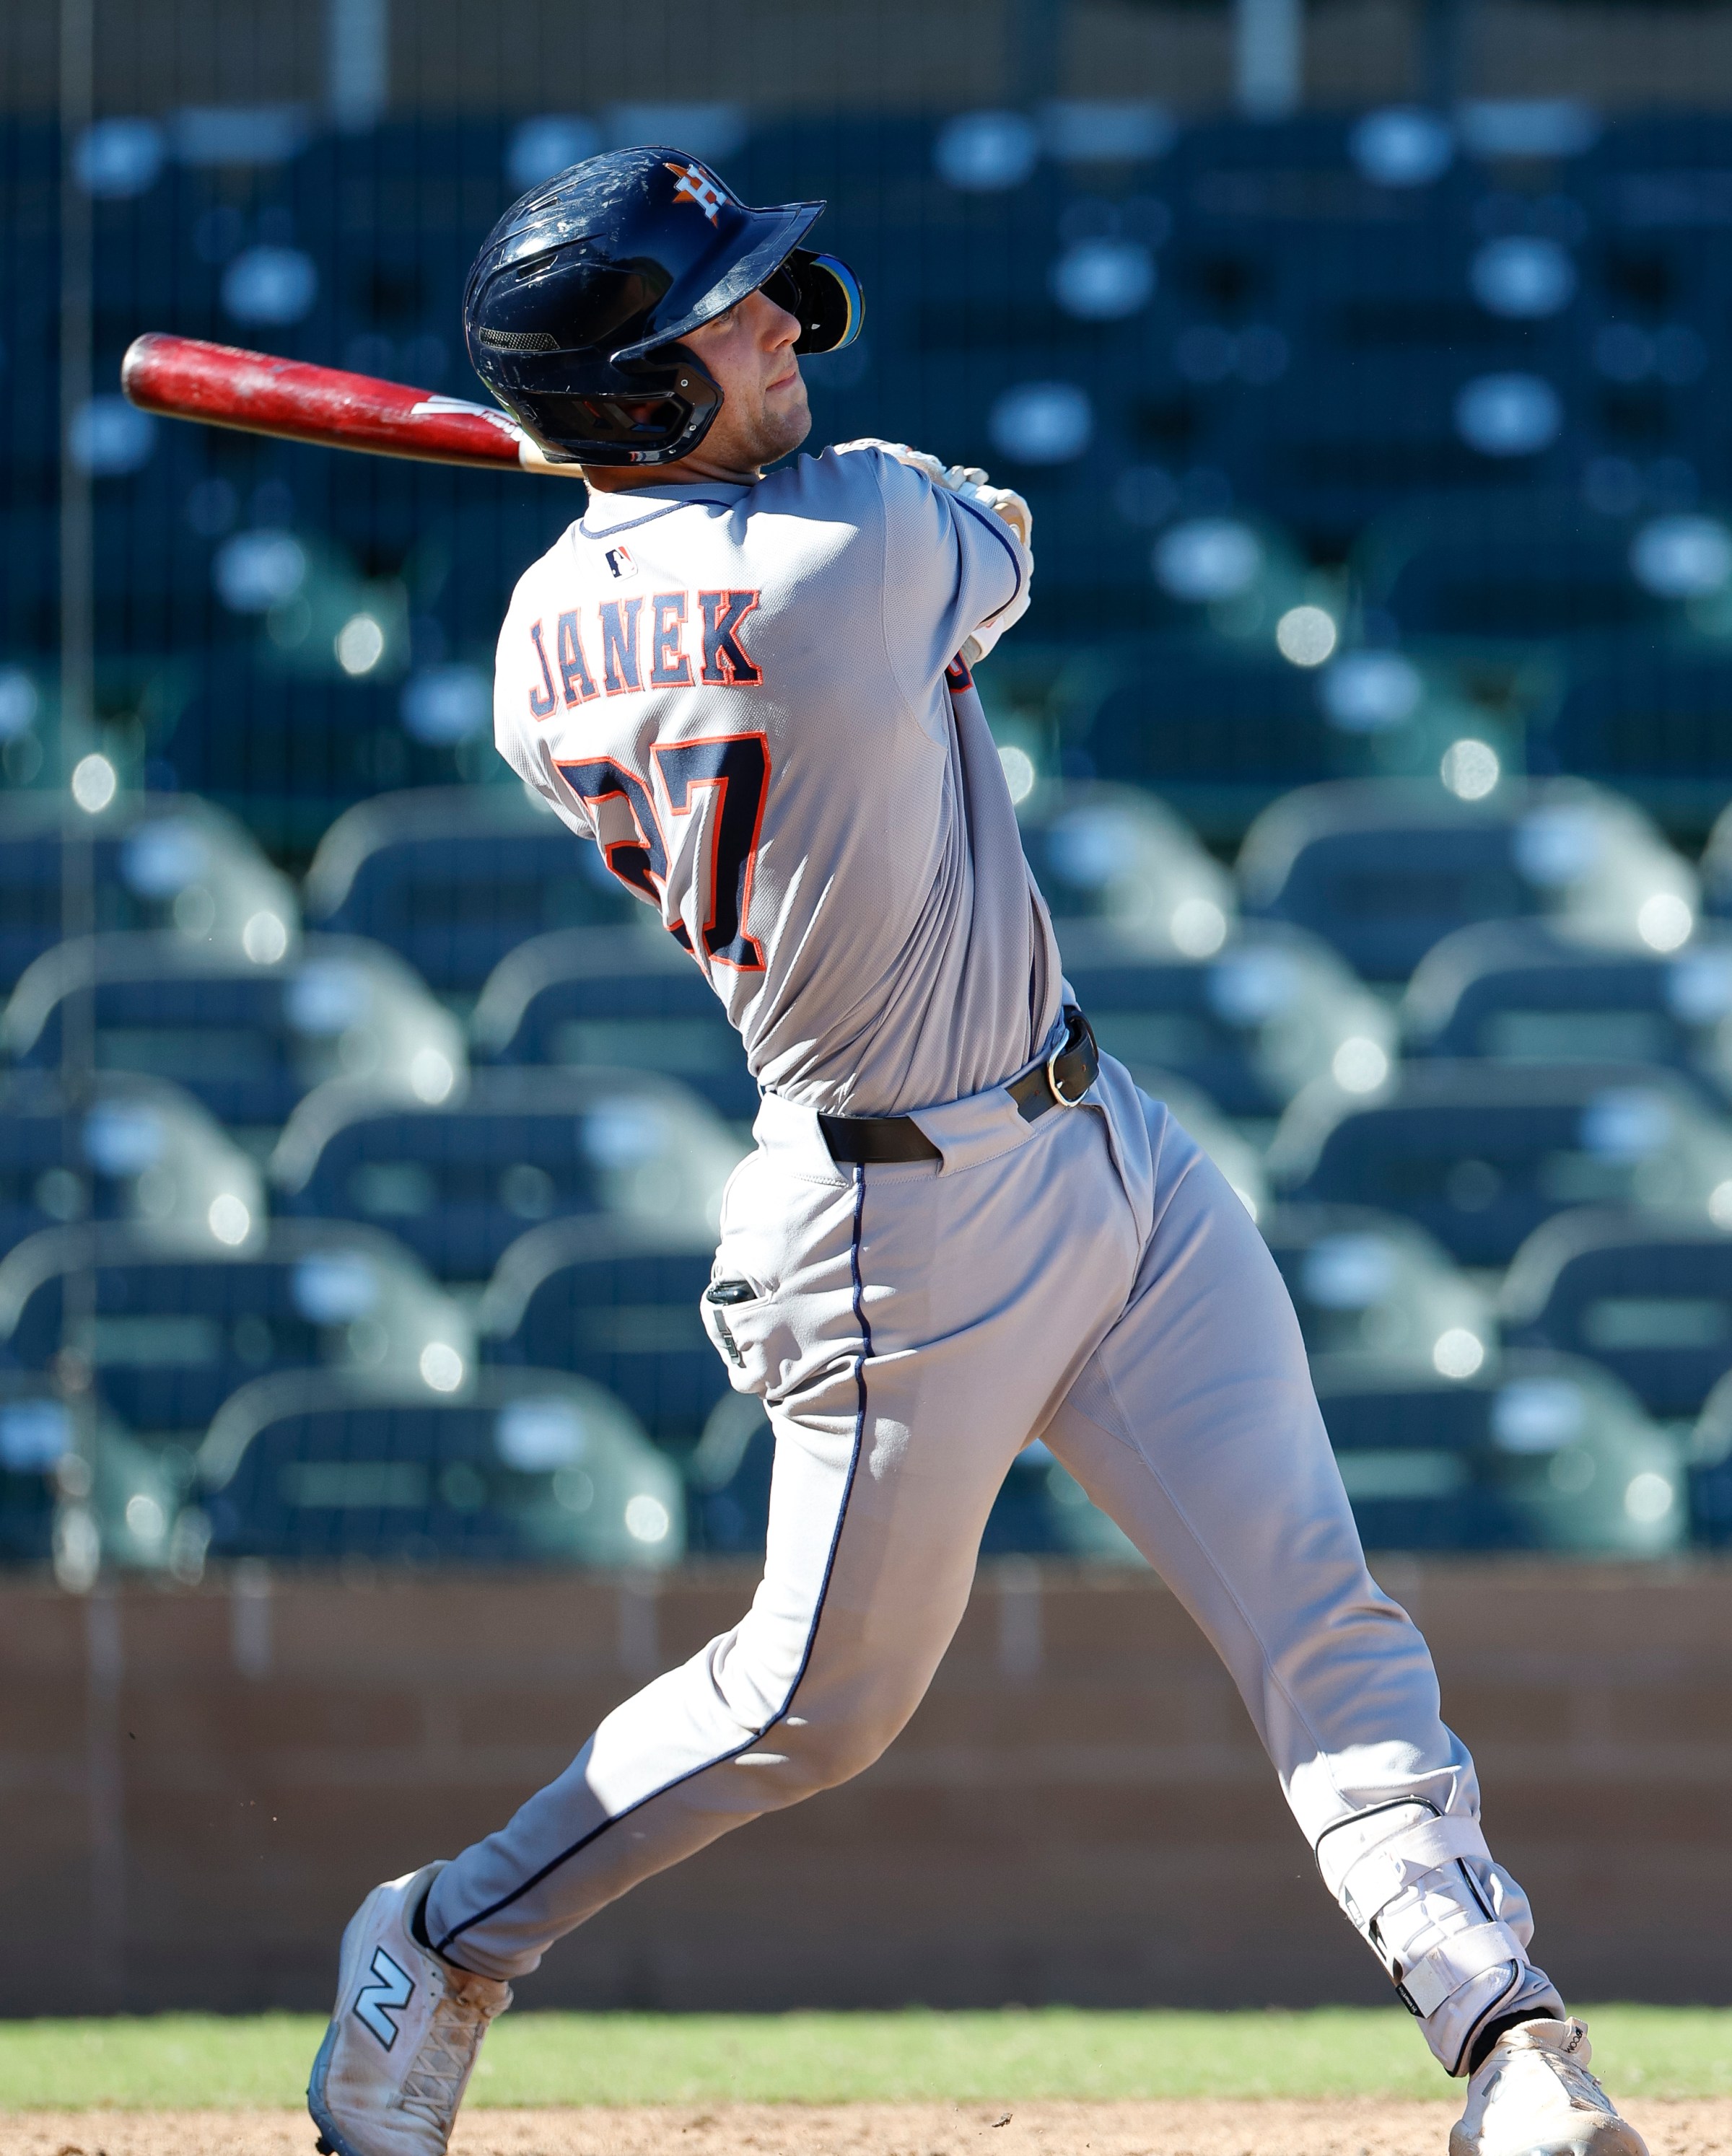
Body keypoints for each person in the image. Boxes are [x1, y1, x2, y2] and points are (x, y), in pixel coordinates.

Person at [307, 147, 1646, 2156]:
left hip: (1102, 1141)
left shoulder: (530, 651)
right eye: (725, 313)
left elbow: (683, 571)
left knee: (1322, 1606)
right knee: (811, 1708)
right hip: (889, 1222)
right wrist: (707, 503)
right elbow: (1000, 538)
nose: (779, 317)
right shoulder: (858, 537)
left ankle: (1512, 2043)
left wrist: (648, 499)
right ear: (636, 396)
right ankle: (439, 1934)